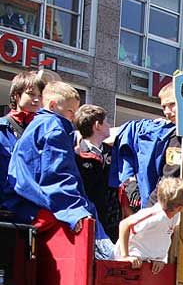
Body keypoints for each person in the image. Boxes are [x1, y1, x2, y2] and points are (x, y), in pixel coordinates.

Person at [5, 81, 115, 257]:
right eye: (70, 111)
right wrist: (75, 212)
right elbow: (57, 174)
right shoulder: (55, 128)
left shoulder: (37, 125)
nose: (73, 117)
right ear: (53, 105)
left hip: (25, 203)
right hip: (40, 206)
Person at [110, 82, 180, 216]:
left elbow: (169, 178)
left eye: (172, 104)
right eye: (164, 106)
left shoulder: (178, 135)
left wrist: (147, 213)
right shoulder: (173, 134)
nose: (166, 111)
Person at [115, 176, 183, 273]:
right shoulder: (155, 216)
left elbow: (161, 239)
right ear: (179, 207)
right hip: (131, 262)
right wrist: (125, 256)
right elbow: (124, 224)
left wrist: (159, 259)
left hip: (147, 263)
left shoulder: (175, 216)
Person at [74, 104, 121, 241]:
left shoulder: (112, 152)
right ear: (97, 125)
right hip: (89, 220)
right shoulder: (77, 154)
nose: (109, 126)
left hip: (112, 222)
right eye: (106, 122)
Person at [0, 71, 44, 206]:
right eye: (31, 94)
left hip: (34, 204)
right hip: (6, 205)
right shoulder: (1, 128)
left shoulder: (43, 131)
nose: (36, 99)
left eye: (40, 96)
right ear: (16, 96)